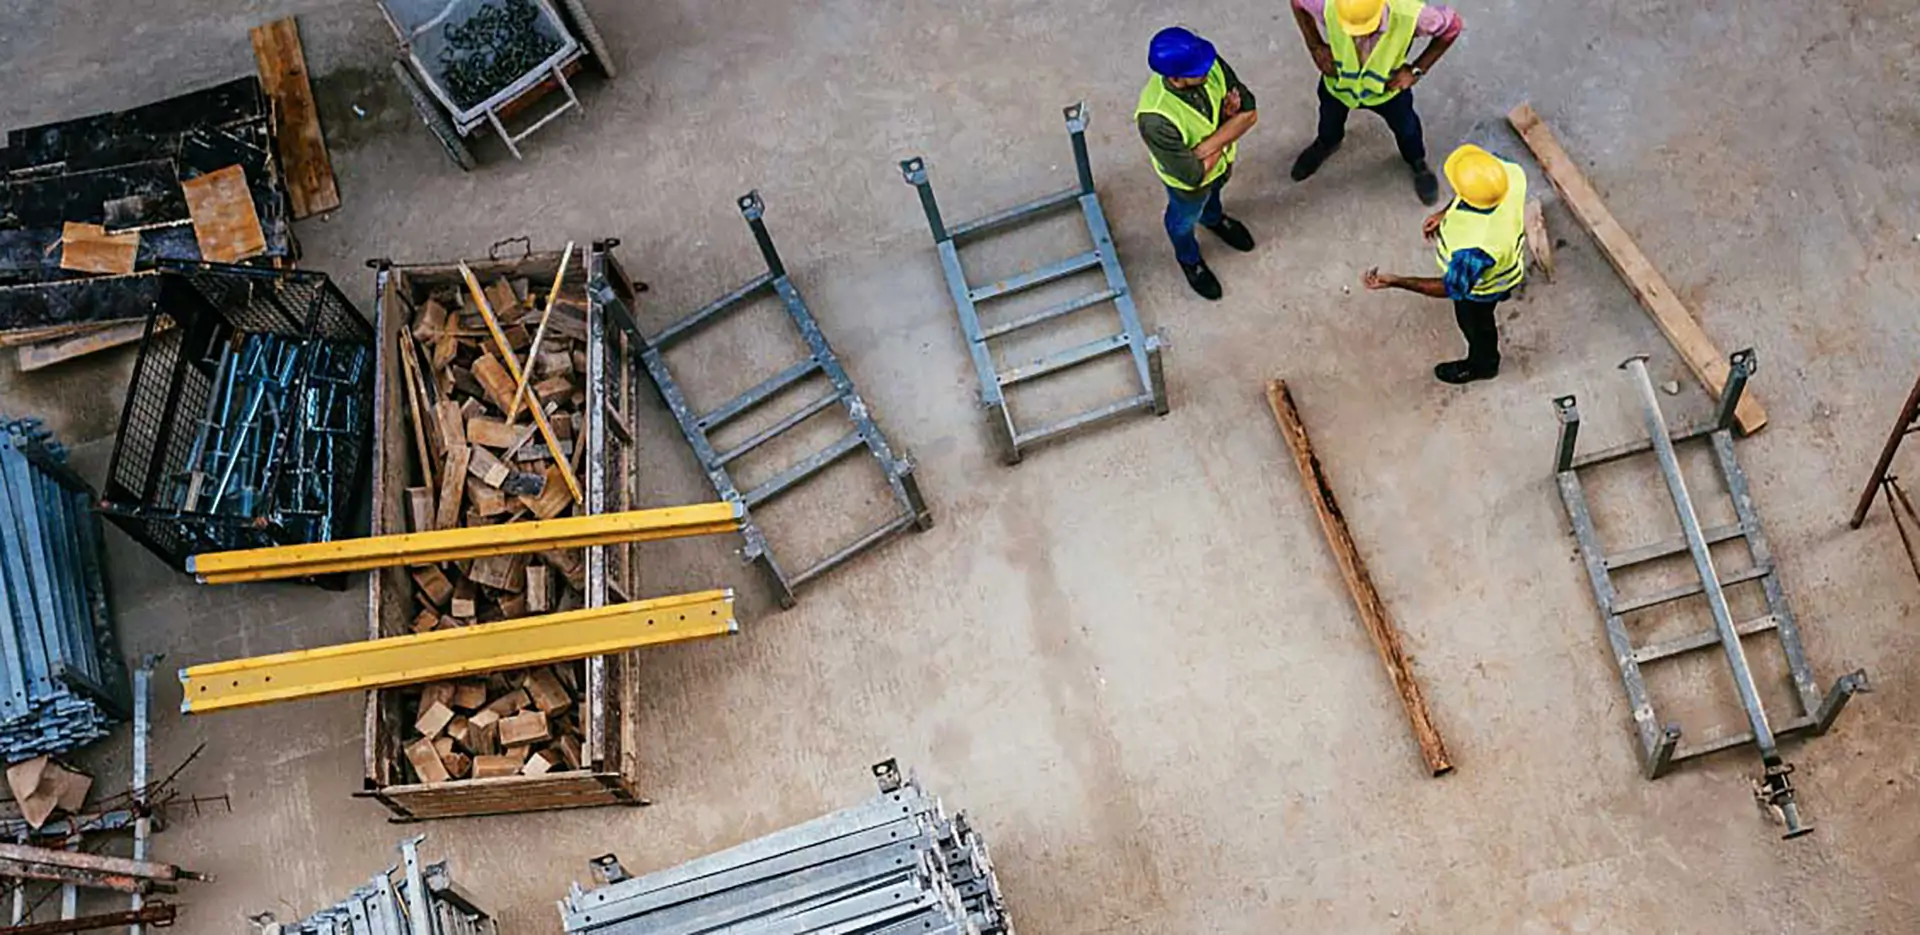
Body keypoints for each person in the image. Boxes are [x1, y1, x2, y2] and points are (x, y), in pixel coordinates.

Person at [1362, 144, 1527, 385]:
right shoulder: (1510, 174)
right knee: (1493, 295)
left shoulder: (1474, 248)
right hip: (1509, 260)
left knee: (1476, 326)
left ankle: (1483, 365)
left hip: (1482, 289)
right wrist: (1445, 213)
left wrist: (1396, 281)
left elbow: (1452, 288)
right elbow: (1475, 197)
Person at [1288, 0, 1463, 205]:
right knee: (1329, 118)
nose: (1357, 36)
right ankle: (1327, 142)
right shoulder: (1326, 3)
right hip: (1340, 84)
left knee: (1407, 128)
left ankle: (1416, 161)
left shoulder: (1411, 14)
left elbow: (1453, 26)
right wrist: (1315, 45)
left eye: (1366, 29)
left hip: (1387, 91)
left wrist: (1416, 70)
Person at [1135, 26, 1260, 300]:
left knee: (1215, 192)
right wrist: (1229, 123)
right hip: (1188, 188)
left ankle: (1213, 219)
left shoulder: (1206, 60)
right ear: (1175, 78)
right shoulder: (1155, 118)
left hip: (1221, 164)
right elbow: (1193, 174)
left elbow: (1249, 113)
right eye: (1197, 72)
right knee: (1182, 221)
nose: (1209, 69)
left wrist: (1206, 146)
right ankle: (1189, 260)